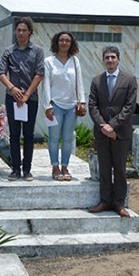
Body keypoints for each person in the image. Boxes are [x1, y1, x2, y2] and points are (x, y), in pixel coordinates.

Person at [88, 46, 137, 218]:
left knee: (120, 169)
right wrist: (104, 126)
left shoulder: (129, 80)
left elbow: (130, 107)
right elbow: (92, 106)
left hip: (121, 132)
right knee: (104, 168)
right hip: (102, 133)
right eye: (107, 57)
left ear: (118, 59)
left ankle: (119, 203)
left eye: (113, 57)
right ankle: (105, 201)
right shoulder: (96, 81)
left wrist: (113, 126)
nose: (110, 60)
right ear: (103, 60)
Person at [0, 16, 44, 181]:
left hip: (30, 99)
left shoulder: (37, 51)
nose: (21, 33)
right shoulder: (8, 51)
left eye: (24, 30)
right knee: (14, 135)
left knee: (29, 135)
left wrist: (26, 95)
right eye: (18, 30)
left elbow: (39, 74)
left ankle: (27, 170)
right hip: (12, 98)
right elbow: (1, 73)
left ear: (30, 32)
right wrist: (12, 88)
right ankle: (15, 169)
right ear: (15, 31)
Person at [42, 31, 86, 182]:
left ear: (71, 43)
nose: (64, 43)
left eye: (67, 40)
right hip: (55, 105)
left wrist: (82, 101)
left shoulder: (75, 61)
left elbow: (79, 82)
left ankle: (65, 167)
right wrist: (47, 106)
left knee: (68, 138)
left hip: (72, 107)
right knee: (54, 138)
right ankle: (55, 167)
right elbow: (46, 85)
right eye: (61, 40)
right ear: (56, 42)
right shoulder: (49, 61)